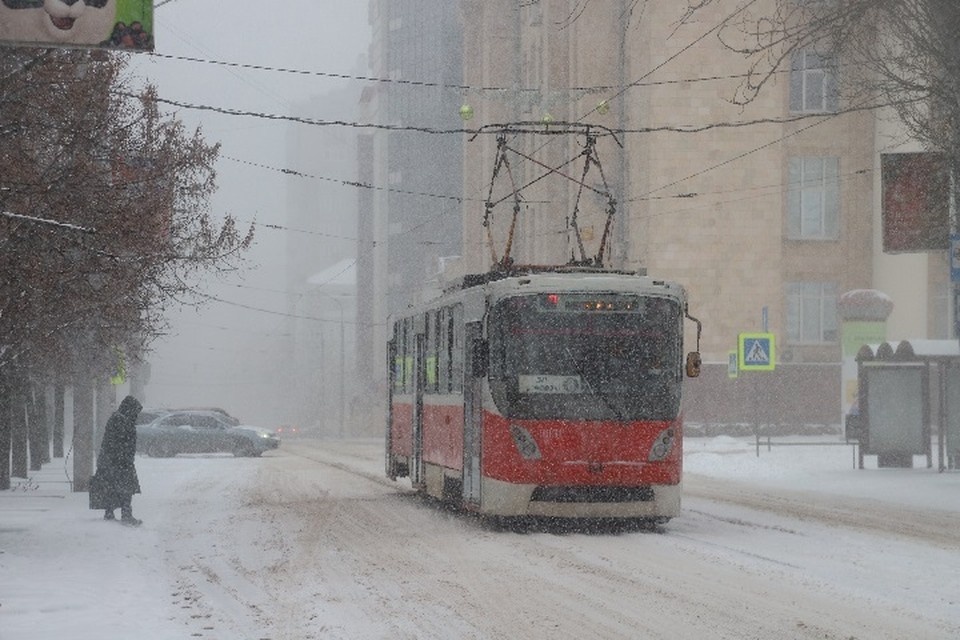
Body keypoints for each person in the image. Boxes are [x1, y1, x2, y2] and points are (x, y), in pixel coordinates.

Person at [96, 395, 143, 526]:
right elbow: (120, 442)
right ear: (130, 409)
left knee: (112, 486)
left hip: (114, 460)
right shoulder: (122, 421)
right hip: (120, 461)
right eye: (135, 411)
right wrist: (124, 458)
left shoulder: (117, 419)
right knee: (126, 488)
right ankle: (126, 514)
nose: (136, 415)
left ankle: (110, 512)